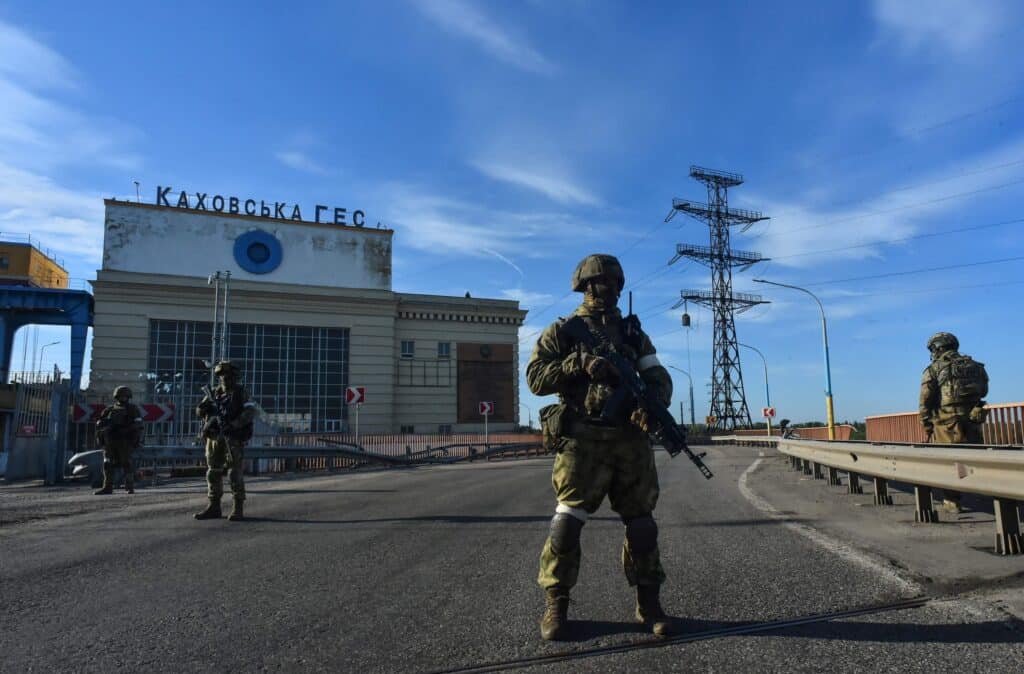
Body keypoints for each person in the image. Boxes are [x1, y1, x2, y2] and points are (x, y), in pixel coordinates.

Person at [527, 253, 675, 641]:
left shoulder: (632, 334)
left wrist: (652, 405)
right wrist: (576, 364)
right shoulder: (563, 331)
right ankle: (555, 606)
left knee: (642, 525)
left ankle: (649, 605)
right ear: (585, 286)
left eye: (614, 284)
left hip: (629, 441)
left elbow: (657, 376)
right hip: (582, 440)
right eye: (601, 283)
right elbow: (536, 378)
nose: (609, 290)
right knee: (566, 526)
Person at [919, 331, 989, 514]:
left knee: (949, 462)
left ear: (938, 348)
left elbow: (925, 400)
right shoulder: (976, 366)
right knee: (975, 457)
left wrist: (927, 423)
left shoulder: (934, 369)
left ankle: (952, 501)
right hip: (973, 419)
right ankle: (988, 490)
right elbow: (984, 391)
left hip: (947, 423)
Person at [194, 361, 257, 521]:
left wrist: (234, 424)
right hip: (215, 437)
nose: (224, 378)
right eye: (221, 375)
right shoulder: (214, 393)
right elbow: (199, 410)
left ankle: (238, 507)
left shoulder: (240, 392)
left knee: (234, 473)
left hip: (232, 437)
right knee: (213, 472)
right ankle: (214, 506)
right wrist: (203, 410)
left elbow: (250, 411)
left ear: (234, 376)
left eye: (227, 375)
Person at [94, 386, 144, 495]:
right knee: (107, 463)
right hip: (110, 441)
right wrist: (101, 435)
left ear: (128, 397)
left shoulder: (132, 409)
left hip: (125, 441)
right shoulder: (109, 410)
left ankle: (129, 486)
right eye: (121, 396)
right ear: (116, 396)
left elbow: (138, 425)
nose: (123, 398)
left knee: (126, 463)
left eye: (125, 396)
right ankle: (107, 487)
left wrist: (134, 438)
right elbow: (100, 425)